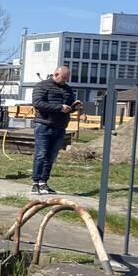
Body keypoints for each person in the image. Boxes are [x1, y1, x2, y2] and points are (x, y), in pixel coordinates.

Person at [31, 65, 79, 194]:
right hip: (44, 124)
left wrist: (74, 107)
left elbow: (68, 106)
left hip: (60, 126)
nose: (65, 81)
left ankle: (44, 182)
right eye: (63, 78)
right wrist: (59, 107)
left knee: (51, 157)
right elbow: (38, 103)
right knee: (41, 155)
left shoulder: (68, 89)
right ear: (56, 74)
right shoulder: (42, 86)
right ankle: (35, 182)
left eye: (66, 78)